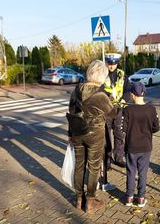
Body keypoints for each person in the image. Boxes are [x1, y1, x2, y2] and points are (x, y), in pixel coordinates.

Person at [68, 60, 117, 214]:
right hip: (95, 134)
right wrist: (113, 99)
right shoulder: (101, 95)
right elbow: (113, 113)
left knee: (79, 166)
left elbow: (71, 111)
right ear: (102, 76)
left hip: (77, 132)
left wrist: (70, 134)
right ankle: (90, 201)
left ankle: (79, 199)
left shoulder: (75, 91)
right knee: (94, 166)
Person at [122, 82, 160, 207]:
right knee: (143, 172)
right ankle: (141, 198)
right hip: (146, 146)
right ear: (144, 93)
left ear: (132, 95)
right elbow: (156, 128)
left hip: (131, 146)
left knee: (131, 171)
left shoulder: (128, 110)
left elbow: (123, 128)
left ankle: (129, 197)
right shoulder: (151, 109)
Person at [104, 53, 131, 168]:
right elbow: (99, 89)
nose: (112, 66)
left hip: (119, 109)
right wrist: (107, 95)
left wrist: (125, 99)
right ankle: (107, 159)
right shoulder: (102, 74)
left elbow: (128, 90)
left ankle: (119, 157)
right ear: (106, 63)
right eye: (110, 64)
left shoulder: (122, 74)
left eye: (114, 64)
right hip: (106, 109)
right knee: (106, 135)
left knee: (119, 134)